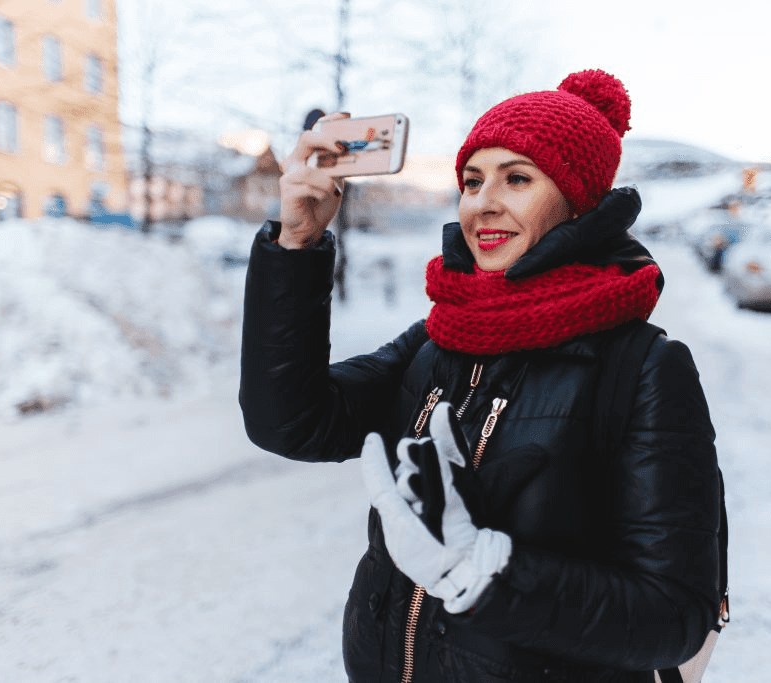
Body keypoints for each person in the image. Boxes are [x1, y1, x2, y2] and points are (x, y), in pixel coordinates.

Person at [240, 70, 721, 683]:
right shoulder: (441, 338)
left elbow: (674, 616)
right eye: (472, 180)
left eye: (516, 178)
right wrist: (298, 244)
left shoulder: (644, 367)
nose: (482, 202)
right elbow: (292, 422)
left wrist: (485, 571)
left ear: (578, 202)